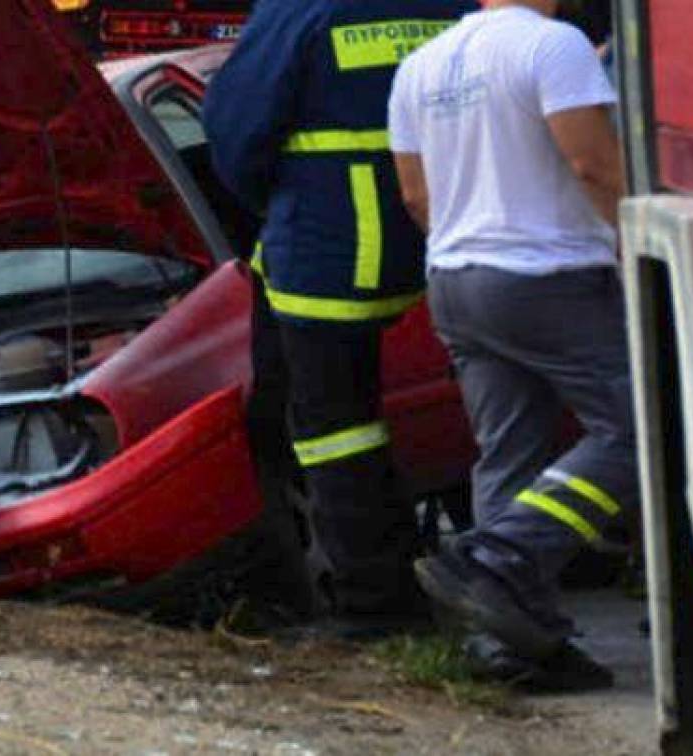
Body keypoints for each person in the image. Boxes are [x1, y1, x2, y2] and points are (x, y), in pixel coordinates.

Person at [203, 0, 476, 638]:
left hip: (331, 246)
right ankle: (417, 570)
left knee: (333, 429)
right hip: (447, 237)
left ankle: (373, 606)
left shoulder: (304, 10)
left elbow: (235, 129)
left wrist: (274, 209)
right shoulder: (452, 8)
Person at [388, 0, 636, 683]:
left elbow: (414, 194)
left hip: (457, 279)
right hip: (549, 277)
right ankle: (501, 554)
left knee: (509, 452)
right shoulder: (555, 46)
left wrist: (474, 237)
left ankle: (509, 645)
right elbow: (594, 165)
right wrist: (638, 248)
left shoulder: (421, 65)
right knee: (637, 429)